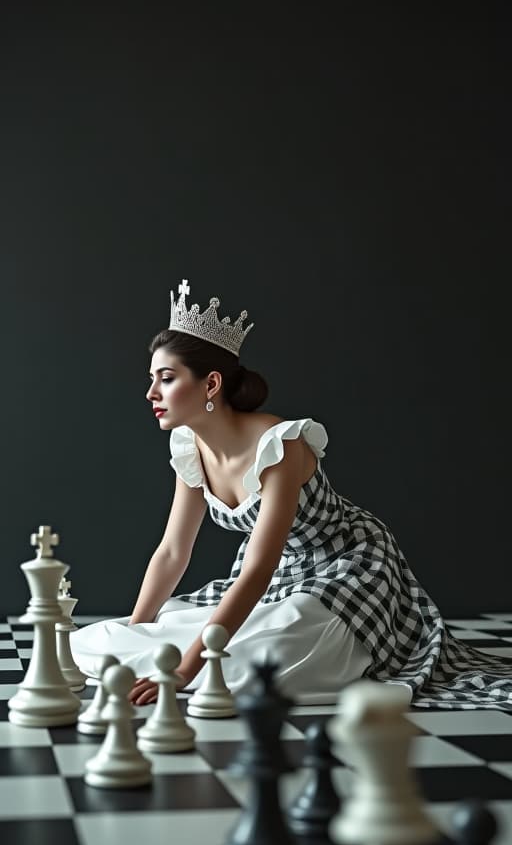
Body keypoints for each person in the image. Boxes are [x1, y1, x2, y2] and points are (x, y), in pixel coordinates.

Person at [70, 279, 512, 709]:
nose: (151, 393)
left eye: (166, 378)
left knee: (263, 662)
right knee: (106, 640)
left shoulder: (281, 445)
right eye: (152, 378)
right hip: (280, 575)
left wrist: (185, 670)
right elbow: (172, 552)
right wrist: (136, 626)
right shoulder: (190, 446)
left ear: (211, 385)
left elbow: (259, 566)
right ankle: (168, 648)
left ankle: (206, 658)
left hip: (349, 565)